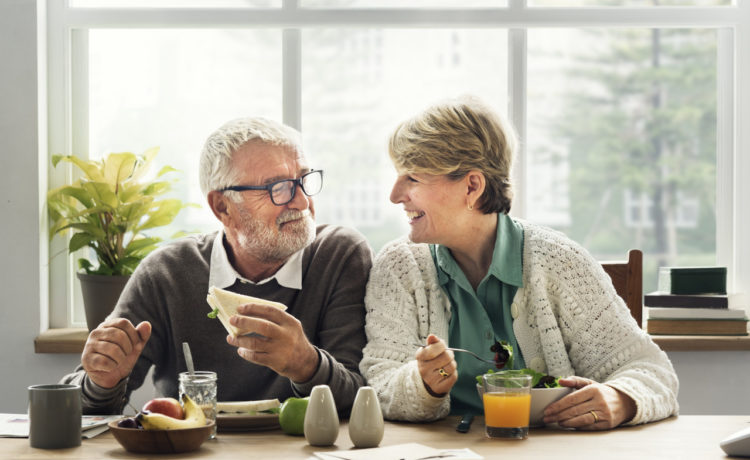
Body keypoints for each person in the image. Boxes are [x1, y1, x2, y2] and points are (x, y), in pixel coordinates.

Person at [359, 96, 679, 429]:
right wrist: (424, 383)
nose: (395, 195)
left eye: (412, 178)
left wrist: (621, 398)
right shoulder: (399, 267)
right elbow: (379, 383)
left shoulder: (561, 262)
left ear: (472, 185)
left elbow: (651, 370)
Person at [61, 117, 373, 415]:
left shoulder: (339, 255)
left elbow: (362, 401)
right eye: (278, 188)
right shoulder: (167, 272)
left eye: (303, 180)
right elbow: (80, 409)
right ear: (222, 207)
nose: (303, 202)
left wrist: (306, 364)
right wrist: (102, 381)